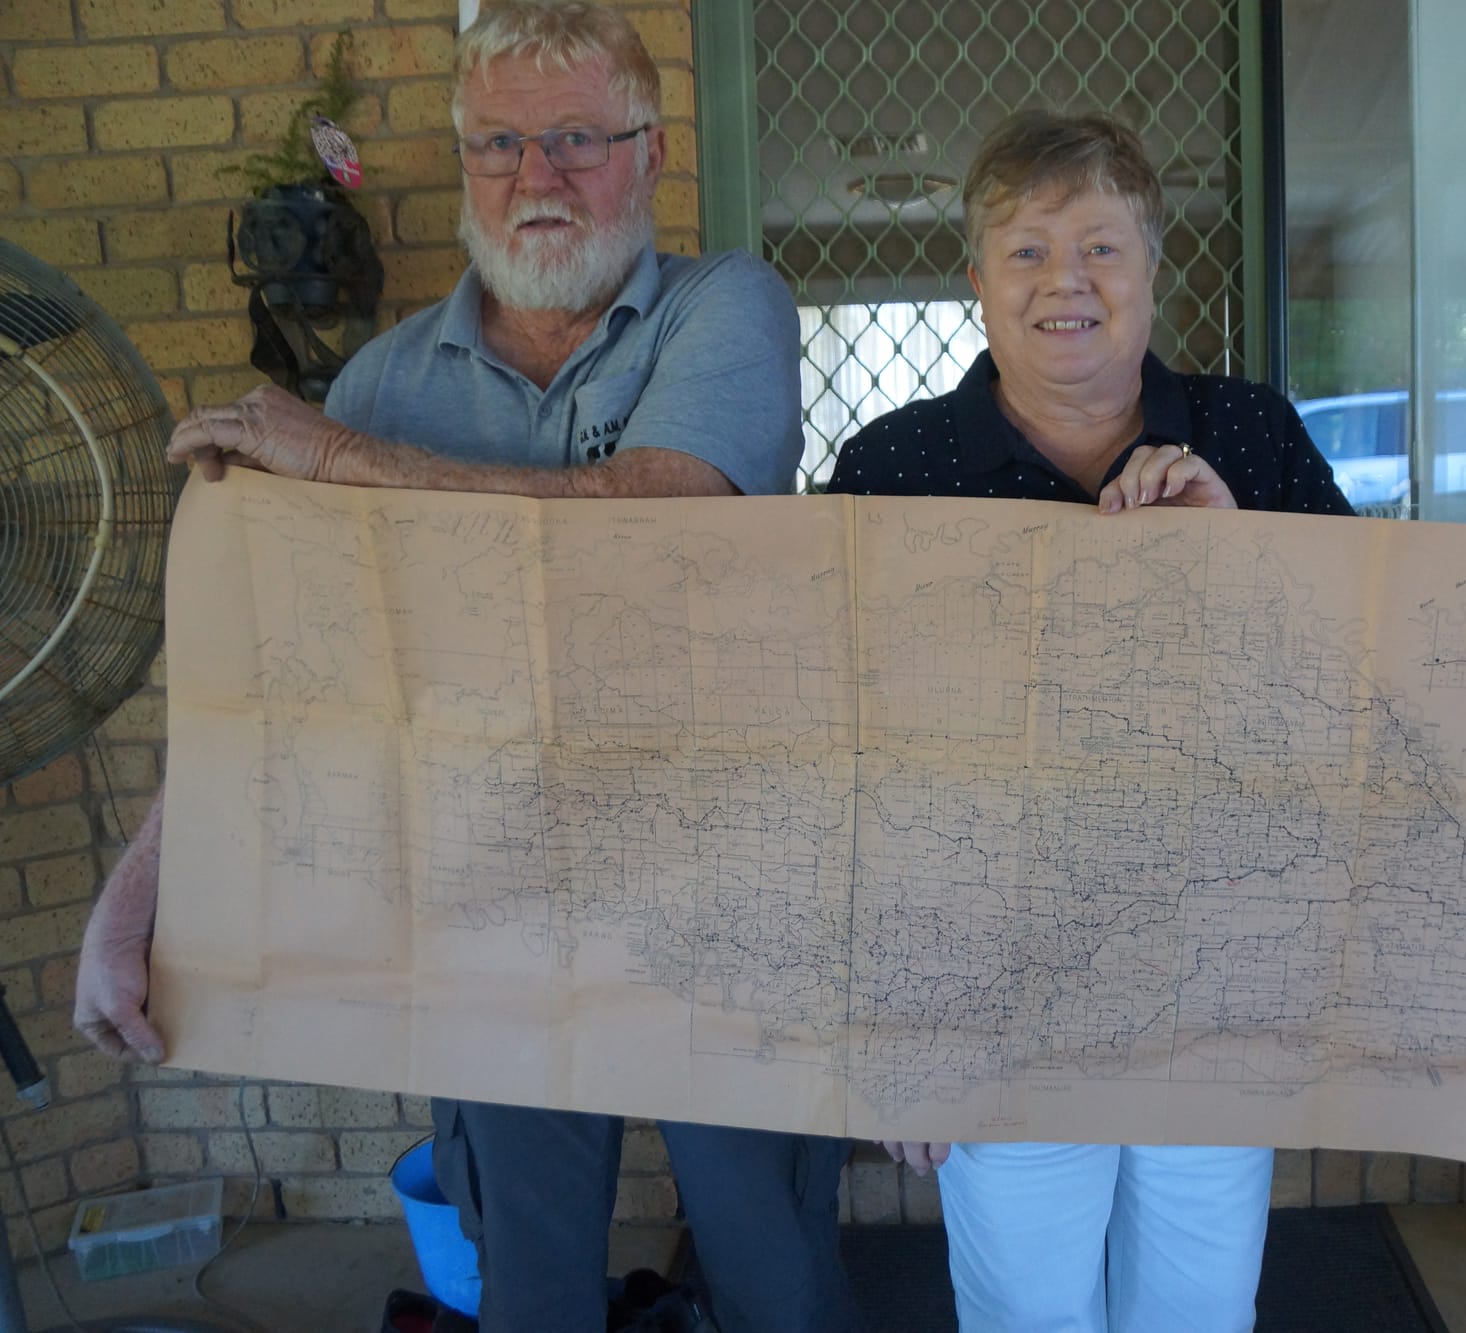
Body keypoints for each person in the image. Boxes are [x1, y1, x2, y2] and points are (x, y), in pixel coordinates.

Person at [71, 5, 863, 1331]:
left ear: (653, 151)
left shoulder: (727, 305)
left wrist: (348, 465)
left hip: (726, 890)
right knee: (531, 1286)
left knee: (774, 1272)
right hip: (488, 898)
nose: (533, 176)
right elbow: (283, 685)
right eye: (498, 141)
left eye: (574, 139)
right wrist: (132, 902)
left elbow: (665, 518)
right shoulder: (381, 383)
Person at [829, 109, 1356, 1333]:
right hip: (990, 995)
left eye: (1101, 248)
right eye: (1024, 250)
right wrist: (893, 1018)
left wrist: (1239, 557)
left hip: (1216, 976)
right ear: (973, 280)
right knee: (1025, 1315)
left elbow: (1355, 689)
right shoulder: (888, 468)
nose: (1065, 280)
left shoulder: (1254, 435)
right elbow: (847, 765)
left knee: (1197, 1313)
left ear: (1153, 268)